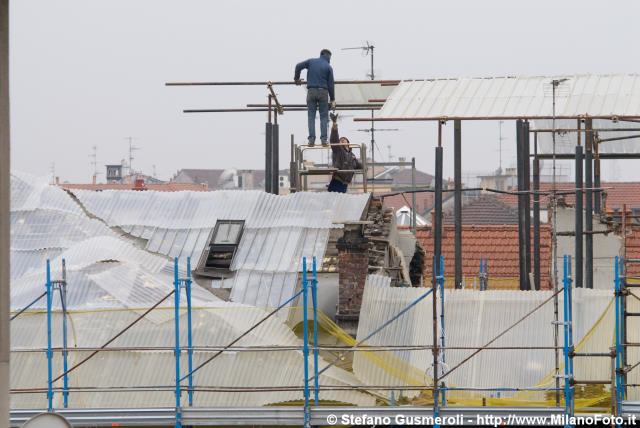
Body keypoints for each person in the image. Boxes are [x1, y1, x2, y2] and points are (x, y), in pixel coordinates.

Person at [294, 49, 336, 146]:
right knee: (323, 117)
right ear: (329, 57)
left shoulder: (311, 62)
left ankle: (311, 140)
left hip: (311, 91)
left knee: (311, 116)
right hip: (323, 92)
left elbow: (298, 66)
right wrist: (333, 99)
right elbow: (331, 85)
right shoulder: (328, 67)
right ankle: (324, 140)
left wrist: (296, 79)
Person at [328, 112, 362, 193]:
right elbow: (334, 139)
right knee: (333, 200)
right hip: (337, 180)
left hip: (345, 183)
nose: (342, 140)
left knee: (340, 202)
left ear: (348, 143)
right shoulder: (338, 150)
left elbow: (358, 165)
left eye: (344, 139)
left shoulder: (352, 155)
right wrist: (334, 125)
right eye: (341, 140)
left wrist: (365, 167)